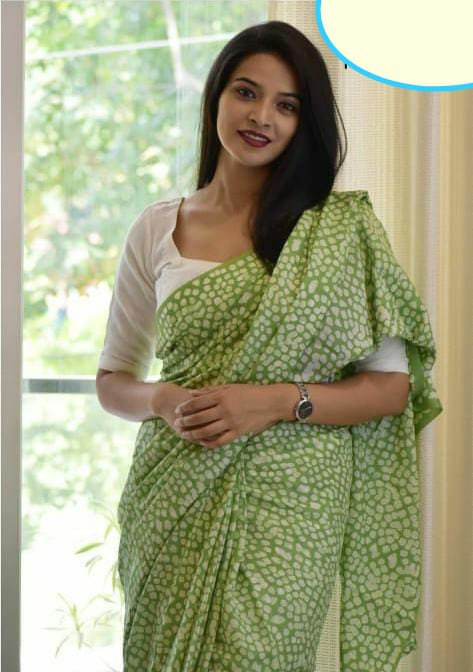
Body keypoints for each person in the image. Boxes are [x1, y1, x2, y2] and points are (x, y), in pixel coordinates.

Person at [96, 20, 443, 672]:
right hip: (174, 490)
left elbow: (390, 387)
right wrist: (163, 399)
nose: (261, 117)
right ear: (216, 97)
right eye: (246, 92)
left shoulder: (338, 232)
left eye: (287, 105)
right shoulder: (156, 228)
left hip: (293, 502)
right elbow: (113, 379)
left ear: (305, 123)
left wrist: (278, 401)